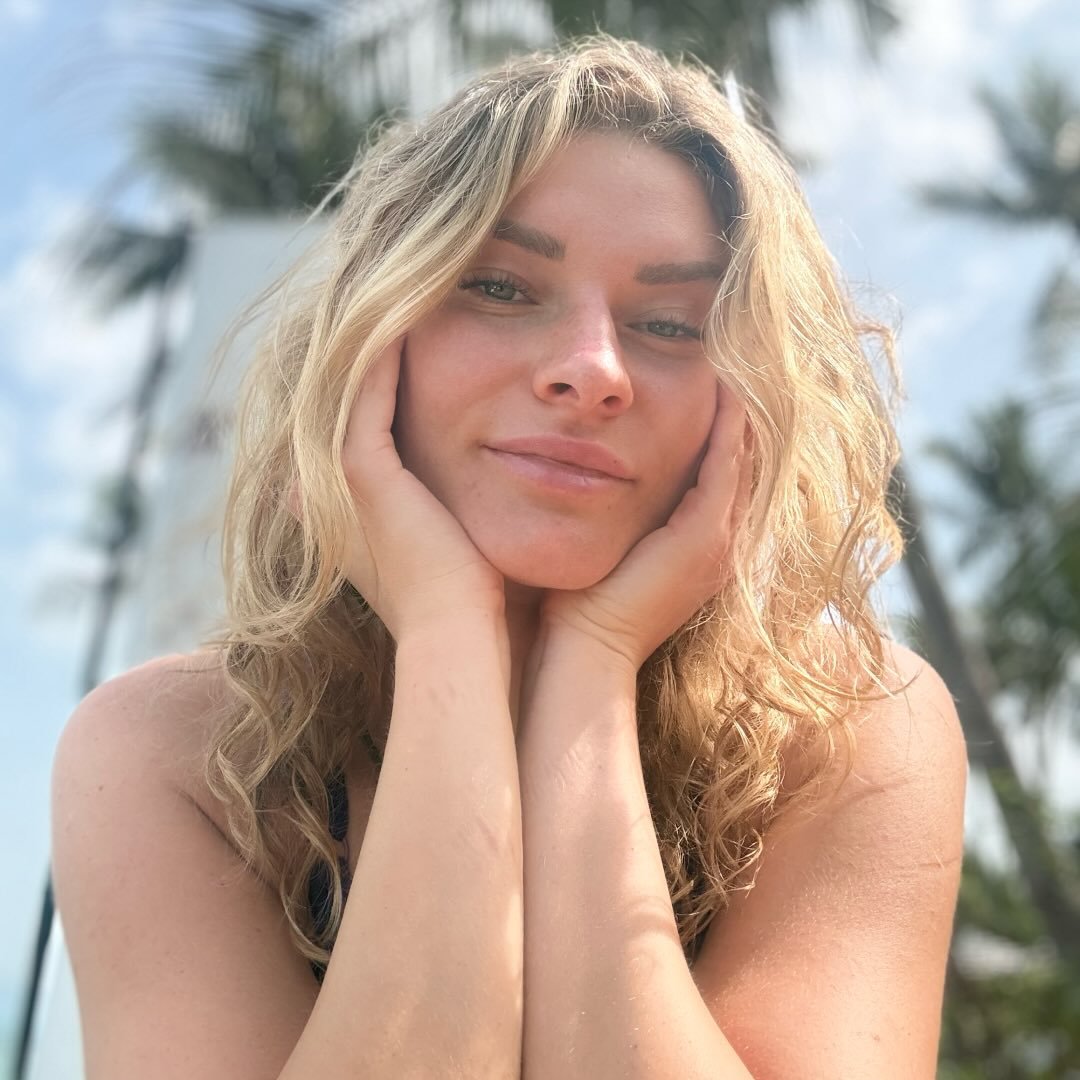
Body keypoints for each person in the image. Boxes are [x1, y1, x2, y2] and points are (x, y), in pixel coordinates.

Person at [50, 35, 967, 1080]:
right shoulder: (175, 756)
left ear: (749, 403)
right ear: (369, 336)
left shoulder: (845, 734)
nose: (592, 368)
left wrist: (594, 663)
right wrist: (449, 634)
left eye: (670, 323)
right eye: (498, 287)